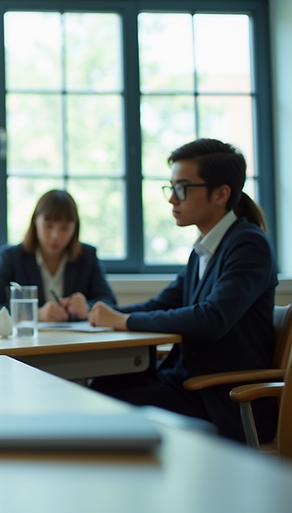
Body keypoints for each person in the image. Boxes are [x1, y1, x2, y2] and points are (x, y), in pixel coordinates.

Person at [88, 139, 277, 443]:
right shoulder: (203, 250)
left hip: (220, 400)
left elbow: (211, 319)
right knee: (99, 389)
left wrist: (123, 321)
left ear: (221, 193)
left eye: (182, 188)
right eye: (171, 187)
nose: (172, 199)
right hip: (187, 385)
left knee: (103, 405)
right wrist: (102, 313)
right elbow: (161, 303)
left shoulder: (248, 245)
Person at [0, 189, 117, 323]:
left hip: (75, 342)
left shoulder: (87, 256)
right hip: (27, 343)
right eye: (48, 225)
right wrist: (33, 314)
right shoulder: (11, 257)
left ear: (75, 228)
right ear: (35, 222)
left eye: (64, 228)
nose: (55, 235)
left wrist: (87, 307)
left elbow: (110, 303)